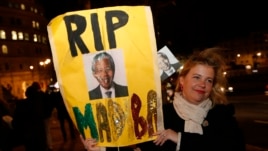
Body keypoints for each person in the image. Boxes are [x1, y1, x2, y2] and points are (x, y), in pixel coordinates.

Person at [82, 48, 246, 151]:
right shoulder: (160, 115)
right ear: (182, 80)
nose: (202, 84)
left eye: (208, 80)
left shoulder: (222, 115)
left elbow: (231, 147)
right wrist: (101, 149)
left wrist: (179, 138)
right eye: (196, 77)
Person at [12, 82, 49, 151]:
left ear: (26, 94)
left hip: (28, 135)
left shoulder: (21, 104)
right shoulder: (38, 105)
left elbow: (15, 122)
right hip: (39, 135)